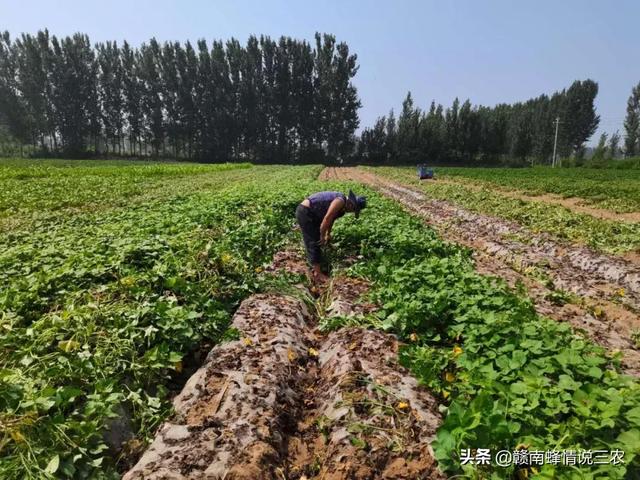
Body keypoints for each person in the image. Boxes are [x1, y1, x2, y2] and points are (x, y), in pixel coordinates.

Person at [295, 189, 367, 283]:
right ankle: (317, 273)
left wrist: (328, 234)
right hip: (306, 212)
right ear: (351, 204)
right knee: (314, 240)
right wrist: (322, 235)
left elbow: (331, 220)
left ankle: (317, 263)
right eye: (353, 210)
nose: (351, 212)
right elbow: (327, 218)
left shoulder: (342, 209)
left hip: (314, 214)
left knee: (317, 239)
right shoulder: (340, 201)